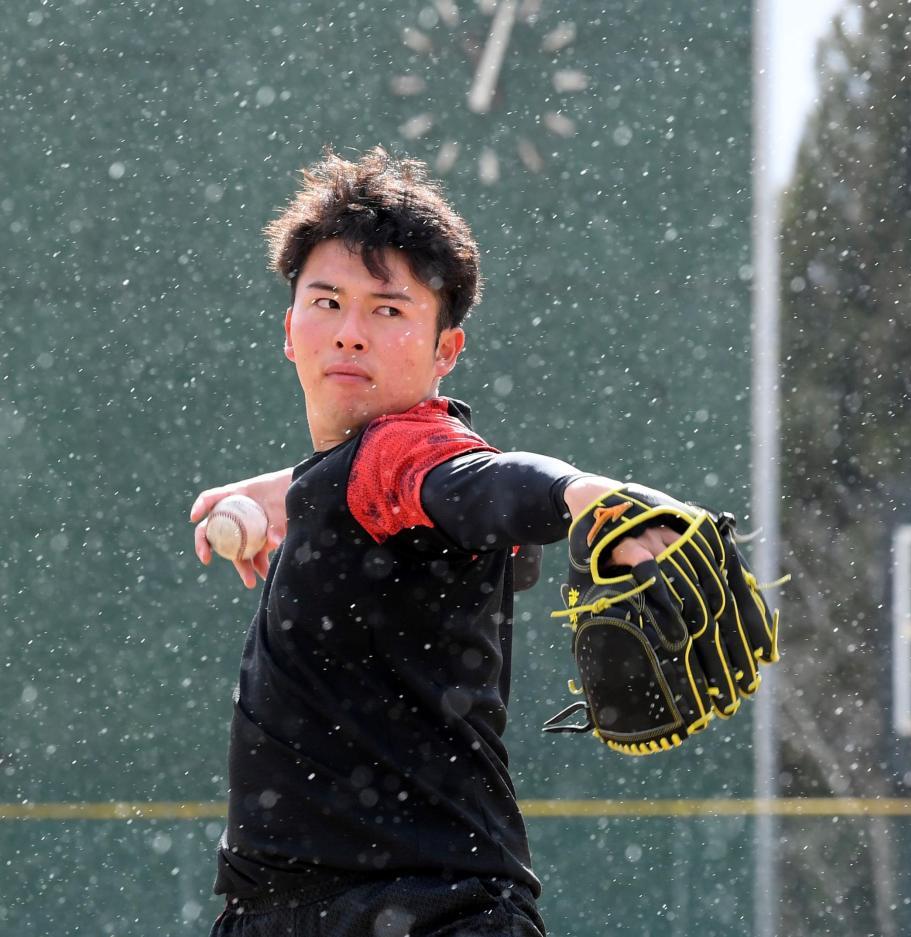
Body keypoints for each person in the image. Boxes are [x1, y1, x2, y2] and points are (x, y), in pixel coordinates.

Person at [191, 147, 679, 937]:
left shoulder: (407, 453)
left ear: (444, 349)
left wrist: (583, 496)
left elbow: (481, 480)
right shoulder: (350, 477)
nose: (350, 333)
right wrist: (289, 491)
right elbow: (381, 483)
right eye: (327, 302)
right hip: (298, 912)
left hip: (424, 912)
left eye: (388, 310)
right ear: (289, 329)